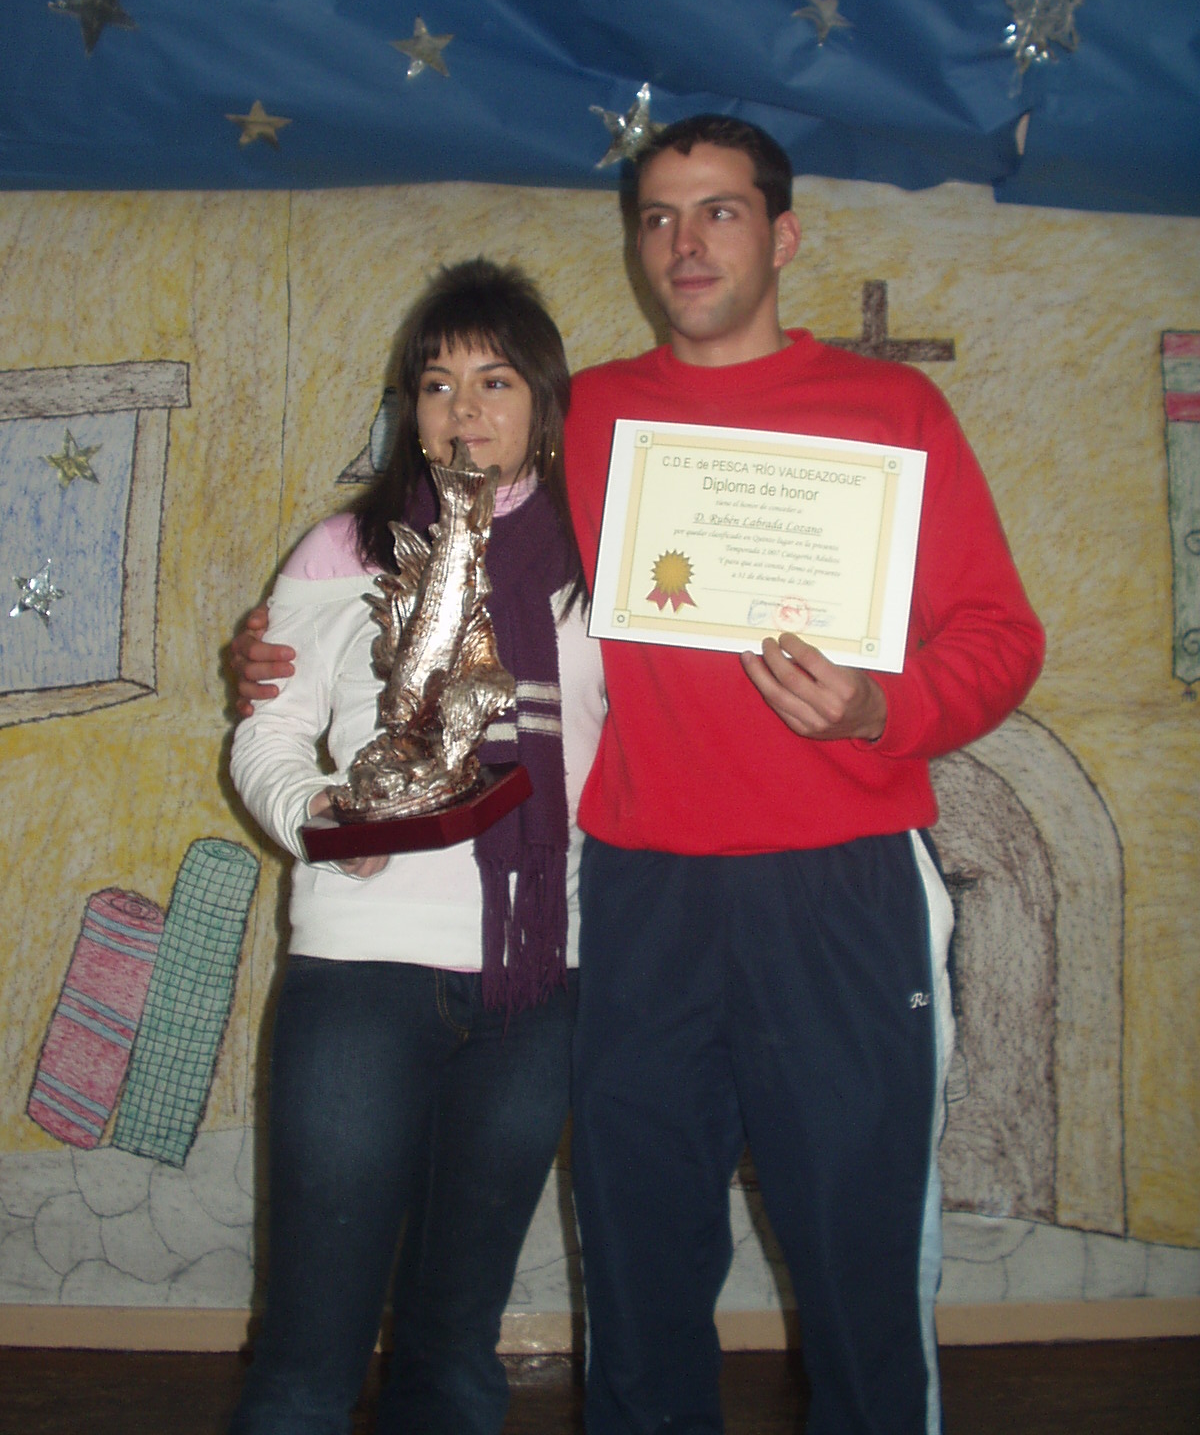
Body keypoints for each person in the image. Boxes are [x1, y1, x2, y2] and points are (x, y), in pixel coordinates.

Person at [233, 118, 1044, 1435]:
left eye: (720, 211)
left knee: (858, 1268)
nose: (686, 242)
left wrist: (883, 707)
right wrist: (277, 649)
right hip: (638, 898)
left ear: (782, 235)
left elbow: (1001, 637)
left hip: (837, 891)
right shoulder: (590, 421)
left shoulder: (893, 412)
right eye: (659, 217)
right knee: (639, 1270)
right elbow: (425, 560)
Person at [225, 259, 605, 1435]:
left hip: (534, 987)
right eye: (437, 384)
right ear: (409, 407)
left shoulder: (600, 569)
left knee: (453, 1344)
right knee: (309, 1349)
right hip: (361, 974)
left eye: (496, 380)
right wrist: (318, 818)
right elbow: (267, 728)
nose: (465, 409)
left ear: (543, 401)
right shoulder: (346, 549)